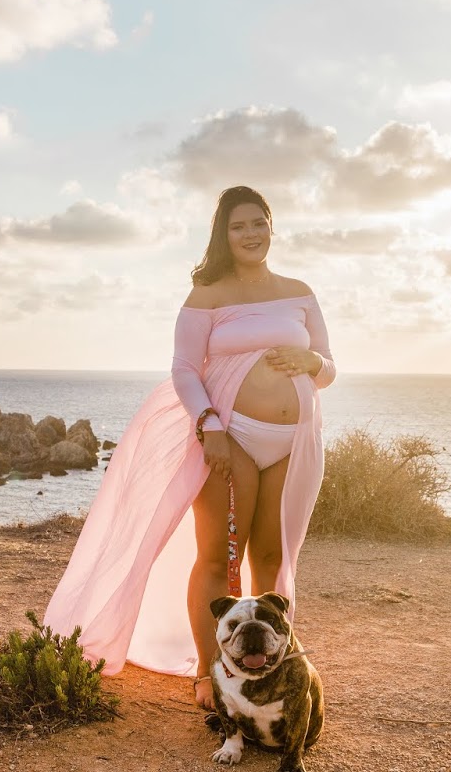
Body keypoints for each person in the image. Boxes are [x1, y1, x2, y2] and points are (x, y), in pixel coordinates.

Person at [44, 185, 336, 708]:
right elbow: (183, 368)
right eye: (238, 226)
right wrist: (210, 425)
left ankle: (272, 667)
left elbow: (329, 366)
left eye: (258, 223)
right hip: (233, 435)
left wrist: (314, 365)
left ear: (272, 226)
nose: (250, 234)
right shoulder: (208, 293)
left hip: (295, 441)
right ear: (223, 234)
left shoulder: (299, 291)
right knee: (218, 558)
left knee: (272, 555)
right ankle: (209, 673)